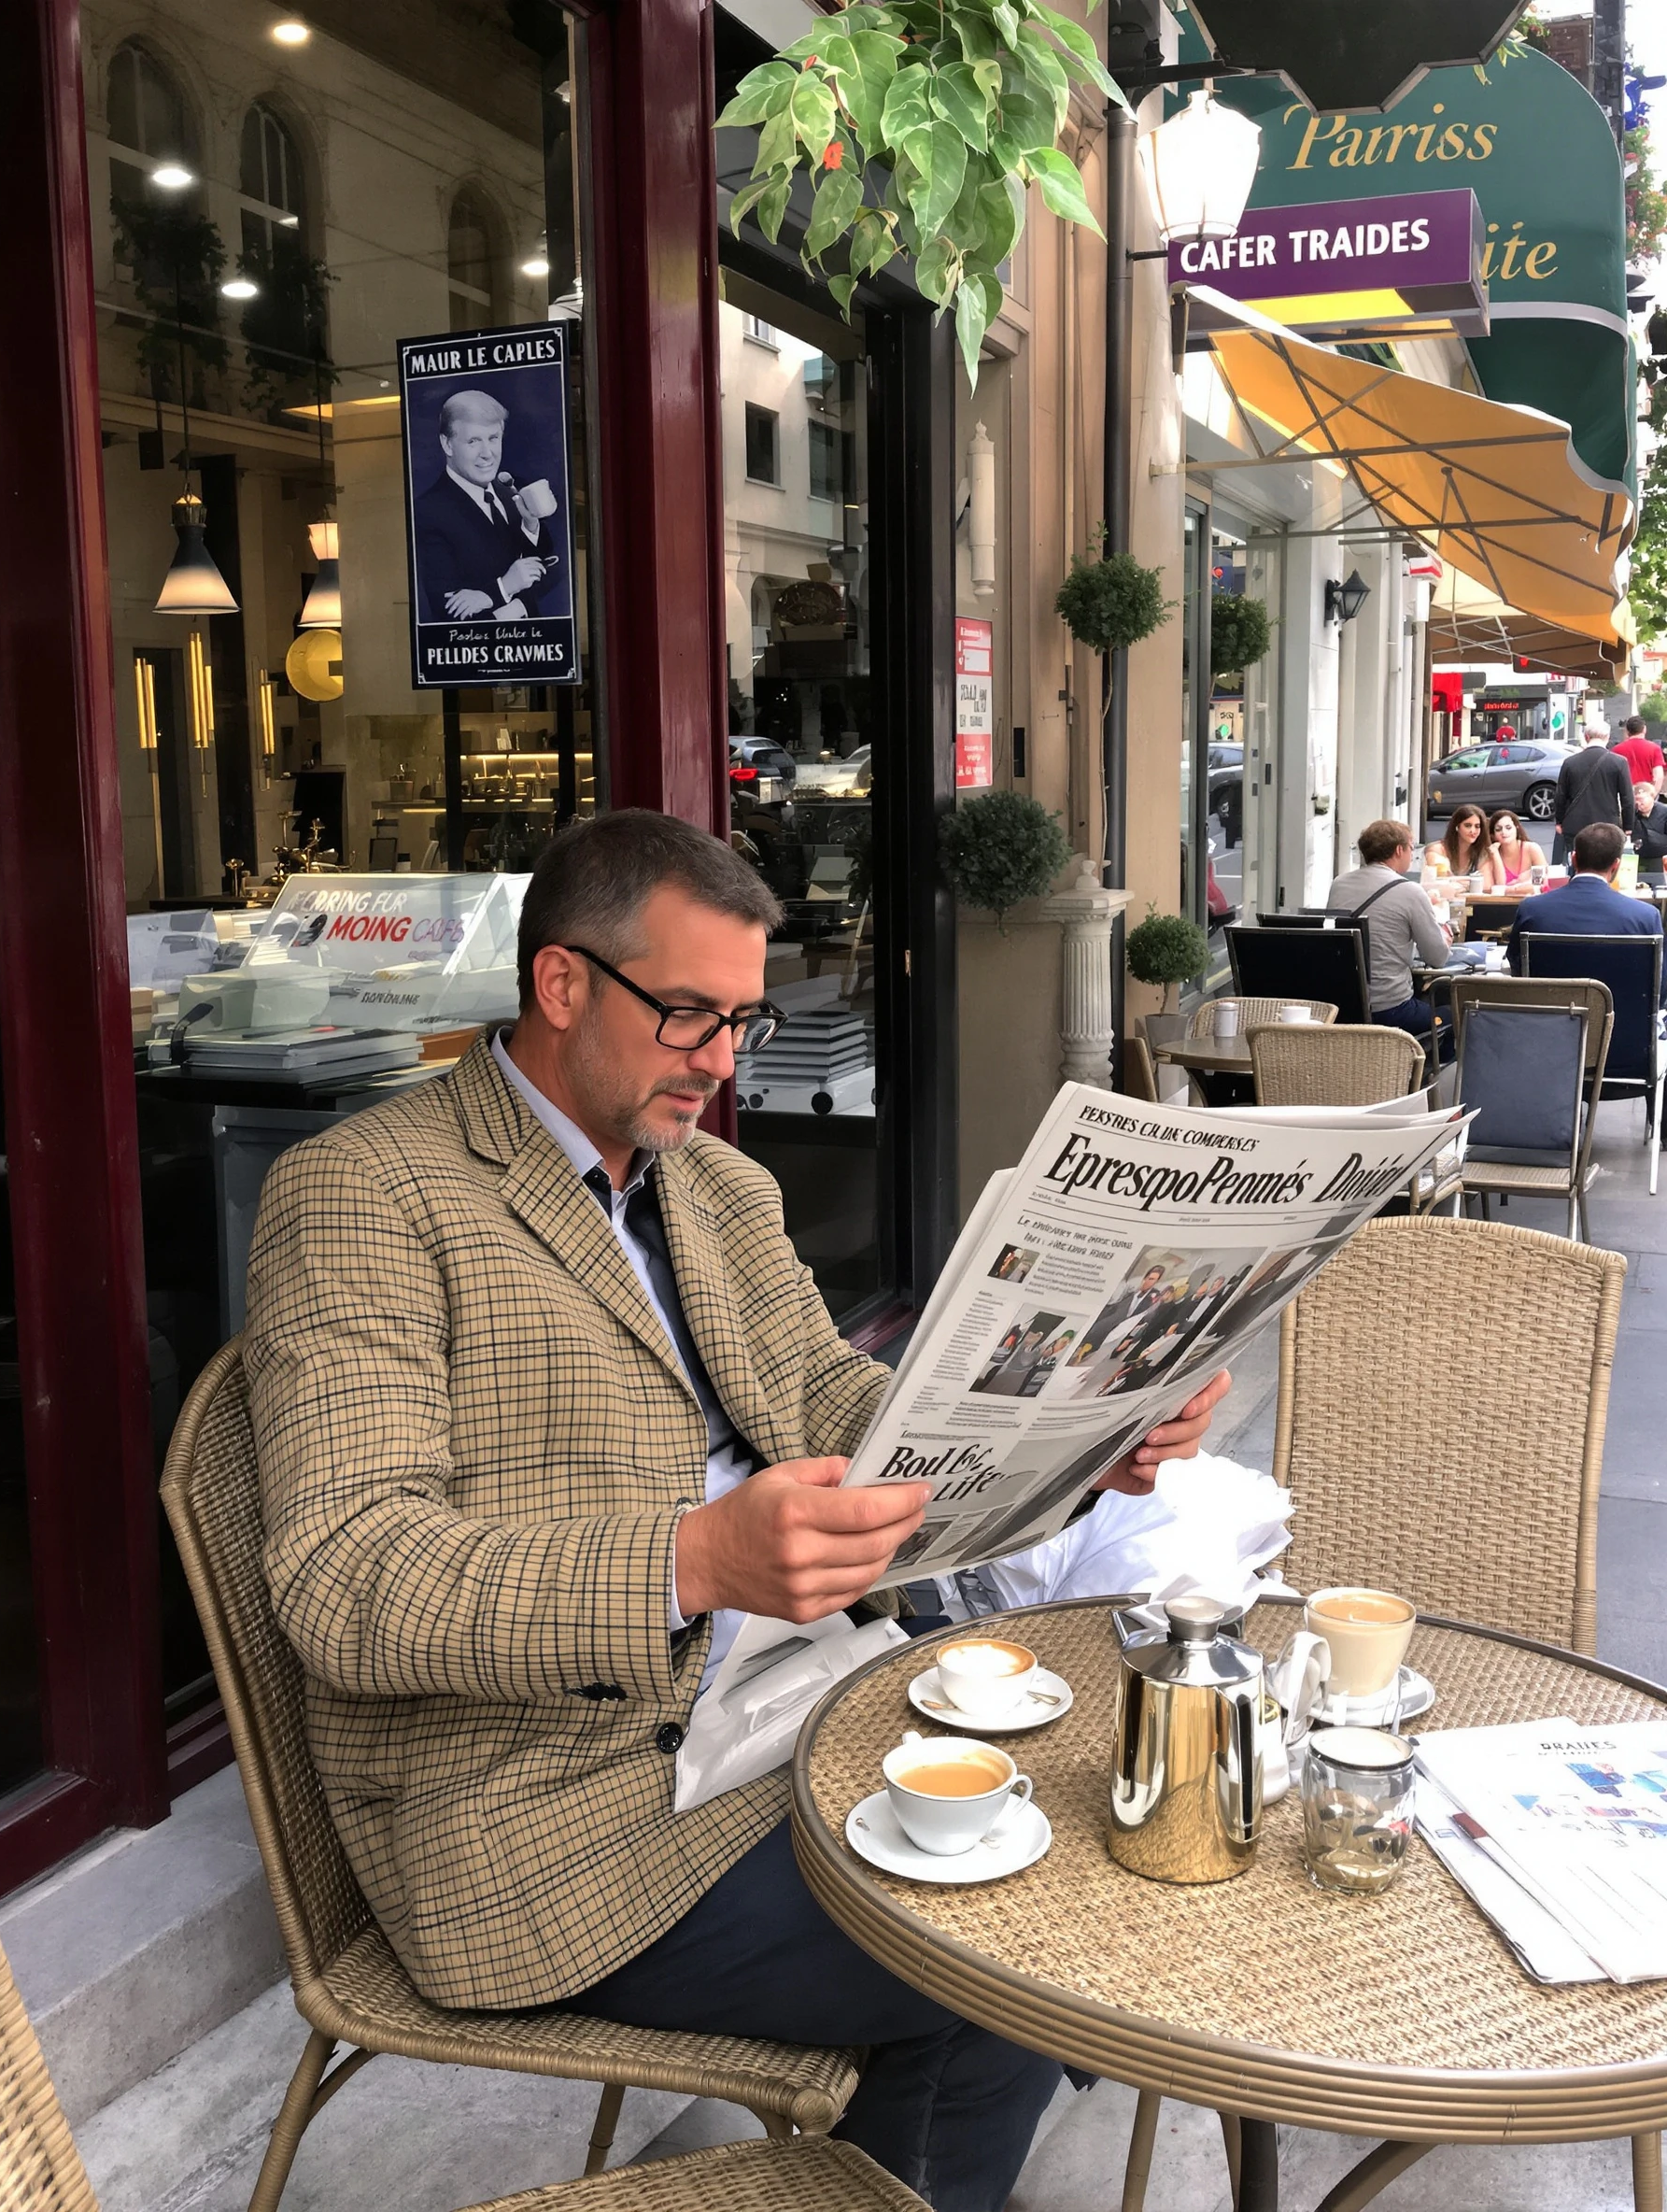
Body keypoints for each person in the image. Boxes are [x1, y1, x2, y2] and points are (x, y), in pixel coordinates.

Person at [244, 810, 1232, 2212]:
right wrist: (693, 1560)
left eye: (741, 1022)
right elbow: (352, 1581)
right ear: (564, 985)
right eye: (690, 1015)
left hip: (788, 1699)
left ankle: (883, 2161)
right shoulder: (362, 1198)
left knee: (1098, 1830)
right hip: (548, 1815)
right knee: (1020, 1961)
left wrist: (1088, 1431)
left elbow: (834, 1402)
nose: (721, 1060)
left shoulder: (715, 1181)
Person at [416, 390, 552, 622]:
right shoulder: (428, 511)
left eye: (493, 438)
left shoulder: (510, 489)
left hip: (534, 647)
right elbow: (448, 612)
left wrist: (531, 524)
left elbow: (552, 568)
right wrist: (505, 588)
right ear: (447, 444)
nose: (487, 454)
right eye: (473, 441)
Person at [1506, 820, 1666, 1001]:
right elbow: (1659, 990)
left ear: (1573, 859)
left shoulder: (1532, 909)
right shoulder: (1645, 917)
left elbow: (1518, 973)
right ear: (1616, 866)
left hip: (1548, 1023)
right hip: (1624, 1026)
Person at [1327, 818, 1450, 1040]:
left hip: (1346, 1007)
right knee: (1453, 1016)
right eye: (1412, 848)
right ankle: (1423, 1071)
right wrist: (1446, 937)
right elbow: (1438, 957)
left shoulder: (1339, 883)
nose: (1412, 855)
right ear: (1399, 850)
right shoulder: (1410, 891)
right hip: (1392, 1011)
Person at [1553, 725, 1635, 866]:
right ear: (1607, 737)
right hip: (1607, 825)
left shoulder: (1570, 763)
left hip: (1575, 824)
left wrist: (1559, 821)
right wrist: (1628, 826)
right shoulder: (1619, 762)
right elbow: (1627, 798)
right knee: (1604, 865)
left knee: (1576, 864)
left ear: (1586, 737)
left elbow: (1560, 795)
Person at [1427, 803, 1500, 886]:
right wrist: (1471, 884)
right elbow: (1439, 882)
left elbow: (1486, 885)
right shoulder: (1437, 850)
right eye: (1468, 826)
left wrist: (1454, 881)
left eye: (1477, 826)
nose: (1473, 831)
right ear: (1457, 827)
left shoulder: (1482, 853)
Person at [1488, 808, 1547, 887]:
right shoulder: (1492, 853)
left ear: (1517, 828)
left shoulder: (1532, 849)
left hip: (1533, 898)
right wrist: (1495, 854)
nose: (1504, 832)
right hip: (1503, 899)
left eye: (1508, 828)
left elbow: (1541, 882)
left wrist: (1517, 887)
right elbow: (1499, 885)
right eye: (1498, 829)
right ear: (1493, 835)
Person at [1611, 713, 1667, 794]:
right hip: (1646, 794)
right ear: (1644, 729)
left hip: (1624, 795)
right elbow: (1658, 776)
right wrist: (1652, 796)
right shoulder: (1654, 749)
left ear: (1627, 730)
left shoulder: (1616, 750)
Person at [1632, 783, 1667, 883]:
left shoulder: (1664, 812)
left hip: (1660, 858)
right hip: (1638, 858)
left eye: (1642, 799)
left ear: (1652, 797)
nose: (1639, 803)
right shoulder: (1631, 814)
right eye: (1636, 800)